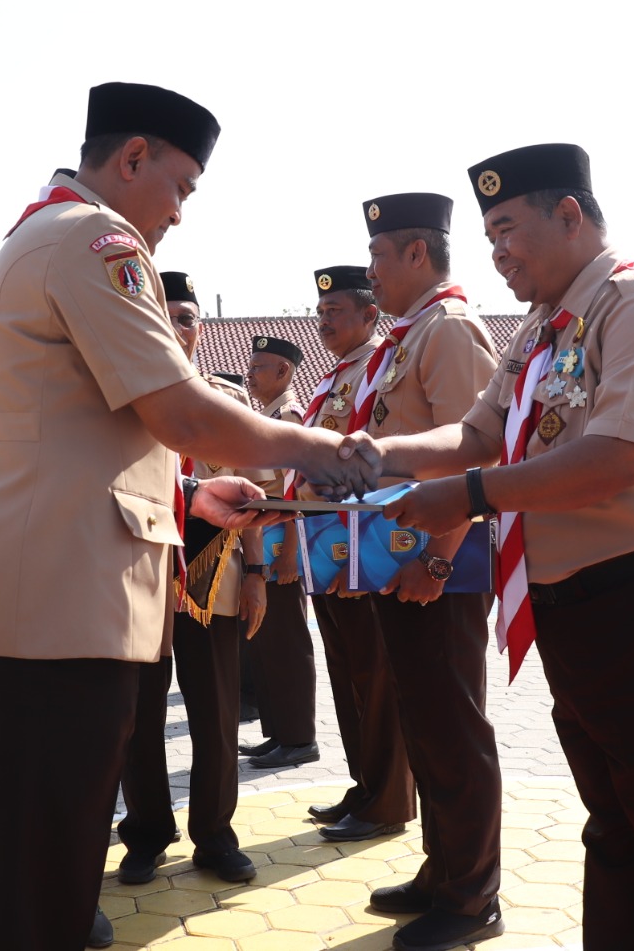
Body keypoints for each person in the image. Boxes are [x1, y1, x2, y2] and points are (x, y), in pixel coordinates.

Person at [0, 81, 379, 950]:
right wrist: (322, 448)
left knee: (38, 868)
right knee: (40, 877)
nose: (178, 213)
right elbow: (180, 412)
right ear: (132, 158)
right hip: (55, 610)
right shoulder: (97, 240)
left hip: (38, 595)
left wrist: (187, 498)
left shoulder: (41, 237)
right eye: (180, 186)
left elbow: (69, 438)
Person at [374, 143, 634, 950]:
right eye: (488, 237)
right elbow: (476, 434)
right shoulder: (544, 328)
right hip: (579, 610)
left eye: (508, 229)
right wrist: (372, 457)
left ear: (570, 215)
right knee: (615, 825)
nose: (498, 252)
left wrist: (468, 498)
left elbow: (620, 456)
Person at [330, 190, 502, 951]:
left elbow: (475, 455)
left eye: (377, 255)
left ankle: (471, 898)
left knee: (453, 726)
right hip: (402, 563)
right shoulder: (411, 334)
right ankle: (443, 870)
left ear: (416, 254)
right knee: (427, 725)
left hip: (441, 566)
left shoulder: (452, 331)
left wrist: (439, 556)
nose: (371, 272)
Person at [117, 271, 268, 888]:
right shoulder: (123, 399)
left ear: (201, 330)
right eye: (167, 315)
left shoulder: (227, 401)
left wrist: (257, 573)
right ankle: (146, 835)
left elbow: (259, 494)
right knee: (137, 717)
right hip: (140, 578)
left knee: (214, 715)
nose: (178, 327)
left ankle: (216, 834)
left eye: (187, 318)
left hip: (214, 584)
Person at [292, 265, 417, 841]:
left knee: (377, 670)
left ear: (370, 314)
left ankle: (389, 799)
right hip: (328, 540)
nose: (324, 321)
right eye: (320, 313)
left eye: (335, 311)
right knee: (348, 672)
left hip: (364, 541)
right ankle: (366, 783)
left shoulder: (379, 367)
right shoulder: (337, 374)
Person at [240, 334, 319, 770]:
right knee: (267, 643)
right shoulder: (268, 414)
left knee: (287, 642)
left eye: (257, 368)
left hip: (281, 548)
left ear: (283, 372)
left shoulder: (289, 416)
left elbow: (295, 493)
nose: (249, 375)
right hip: (264, 545)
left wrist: (291, 553)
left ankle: (300, 737)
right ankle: (279, 734)